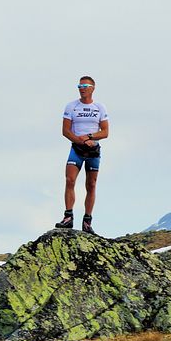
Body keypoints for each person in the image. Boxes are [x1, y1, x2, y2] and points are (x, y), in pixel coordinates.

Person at [55, 76, 109, 234]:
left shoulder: (100, 107)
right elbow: (65, 130)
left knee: (91, 185)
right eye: (79, 86)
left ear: (93, 88)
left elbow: (105, 132)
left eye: (85, 85)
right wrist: (79, 141)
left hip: (93, 149)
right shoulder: (71, 106)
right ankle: (68, 217)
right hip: (77, 149)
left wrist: (90, 137)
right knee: (70, 180)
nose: (82, 88)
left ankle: (87, 221)